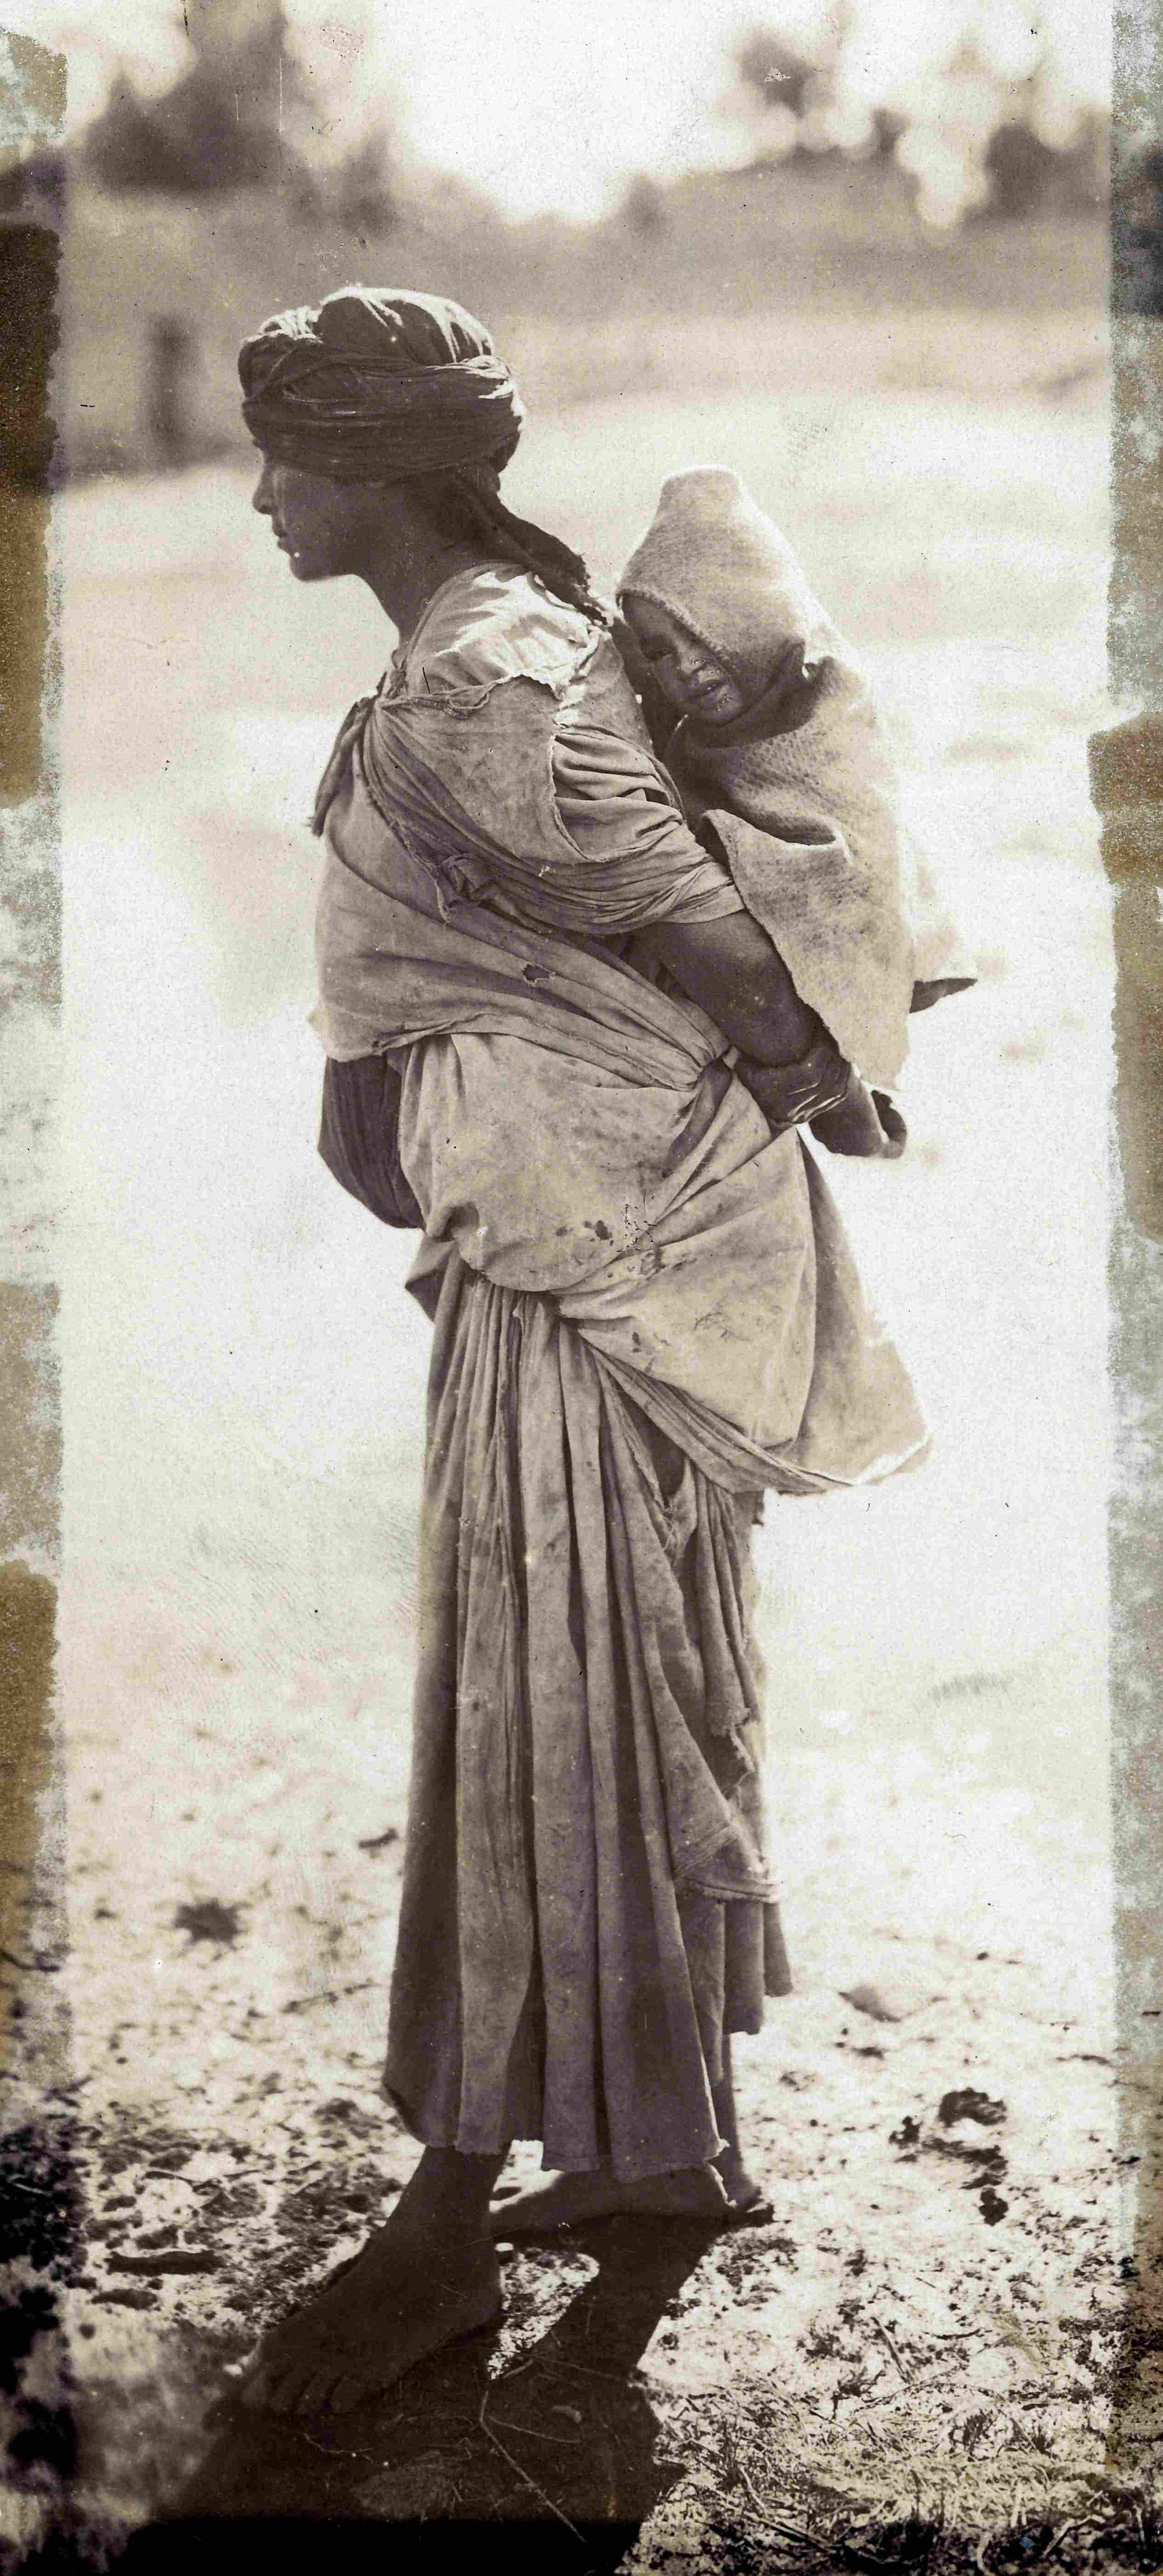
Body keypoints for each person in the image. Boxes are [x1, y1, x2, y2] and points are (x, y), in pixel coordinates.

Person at [232, 285, 930, 2424]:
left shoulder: (483, 685)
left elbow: (750, 975)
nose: (265, 494)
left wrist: (629, 1109)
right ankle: (651, 2147)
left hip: (602, 1260)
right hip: (571, 1246)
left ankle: (447, 2221)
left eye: (293, 455)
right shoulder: (473, 661)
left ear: (380, 465)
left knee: (555, 1706)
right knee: (614, 1684)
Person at [616, 465, 975, 1131]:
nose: (686, 667)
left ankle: (842, 1091)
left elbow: (847, 847)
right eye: (661, 652)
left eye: (706, 631)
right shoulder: (690, 736)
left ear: (755, 612)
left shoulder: (826, 705)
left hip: (812, 977)